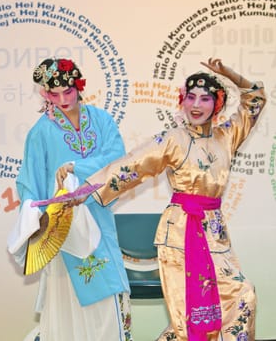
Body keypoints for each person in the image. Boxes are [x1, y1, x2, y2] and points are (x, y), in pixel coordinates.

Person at [58, 58, 265, 341]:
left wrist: (228, 74)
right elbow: (130, 166)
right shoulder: (173, 139)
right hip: (180, 234)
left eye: (205, 99)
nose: (196, 105)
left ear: (217, 104)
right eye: (190, 97)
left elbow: (255, 99)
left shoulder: (227, 137)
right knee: (189, 319)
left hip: (215, 233)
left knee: (241, 296)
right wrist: (83, 191)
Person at [7, 58, 133, 341]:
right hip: (62, 230)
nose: (63, 99)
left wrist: (77, 167)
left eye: (68, 91)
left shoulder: (101, 121)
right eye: (54, 94)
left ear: (79, 86)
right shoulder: (40, 132)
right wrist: (32, 212)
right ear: (44, 94)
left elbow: (117, 159)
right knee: (67, 307)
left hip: (98, 222)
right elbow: (30, 181)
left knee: (109, 297)